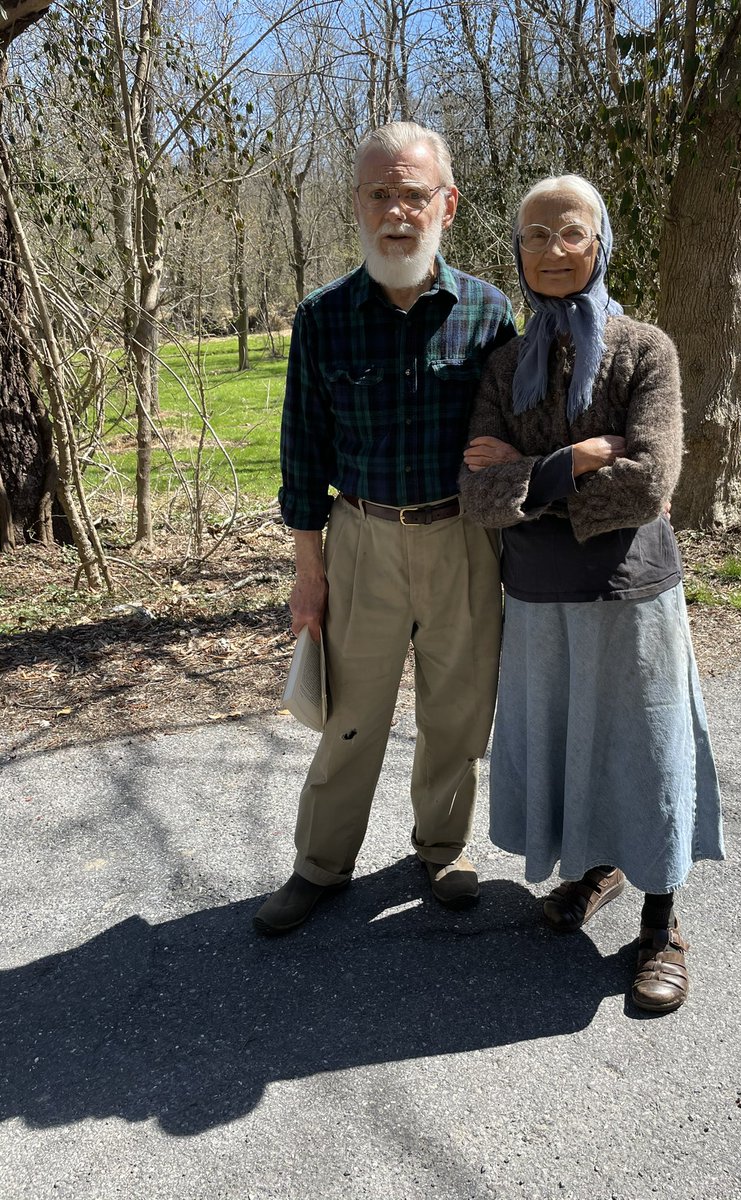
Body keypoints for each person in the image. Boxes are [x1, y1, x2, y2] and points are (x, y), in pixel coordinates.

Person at [458, 175, 724, 1013]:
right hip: (536, 595)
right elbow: (475, 498)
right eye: (534, 236)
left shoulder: (646, 350)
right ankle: (597, 871)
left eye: (569, 232)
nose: (551, 250)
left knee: (646, 751)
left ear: (601, 240)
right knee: (569, 743)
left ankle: (663, 921)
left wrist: (524, 483)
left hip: (630, 589)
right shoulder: (504, 362)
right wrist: (575, 461)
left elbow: (650, 486)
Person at [254, 122, 517, 934]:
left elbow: (517, 424)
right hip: (360, 535)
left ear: (448, 202)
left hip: (463, 540)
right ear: (359, 204)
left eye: (414, 194)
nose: (397, 212)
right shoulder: (324, 317)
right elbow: (302, 454)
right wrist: (309, 570)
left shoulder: (487, 311)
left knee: (458, 707)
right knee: (350, 713)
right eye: (380, 195)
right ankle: (320, 866)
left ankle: (444, 849)